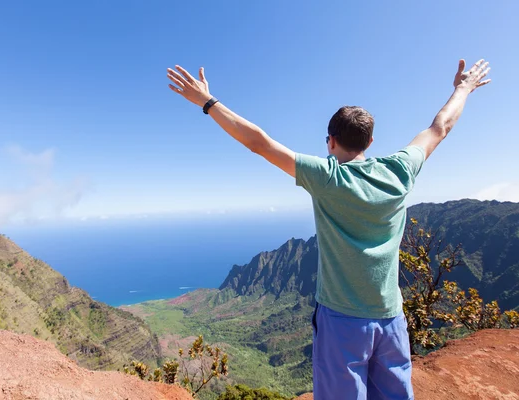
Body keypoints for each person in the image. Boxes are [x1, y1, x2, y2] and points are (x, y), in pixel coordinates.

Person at [166, 59, 491, 400]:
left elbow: (258, 143)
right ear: (370, 140)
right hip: (391, 317)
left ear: (331, 141)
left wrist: (208, 102)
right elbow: (441, 127)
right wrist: (463, 88)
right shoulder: (400, 170)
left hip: (342, 320)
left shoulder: (327, 177)